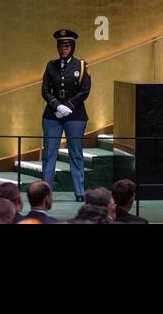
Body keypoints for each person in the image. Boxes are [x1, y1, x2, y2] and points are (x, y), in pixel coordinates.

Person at [40, 28, 91, 201]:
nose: (64, 49)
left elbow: (85, 90)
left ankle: (79, 192)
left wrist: (68, 106)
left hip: (75, 114)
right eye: (61, 45)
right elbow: (45, 90)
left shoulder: (81, 65)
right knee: (49, 154)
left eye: (67, 45)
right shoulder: (51, 65)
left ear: (72, 47)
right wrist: (56, 106)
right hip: (52, 115)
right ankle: (45, 192)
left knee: (75, 153)